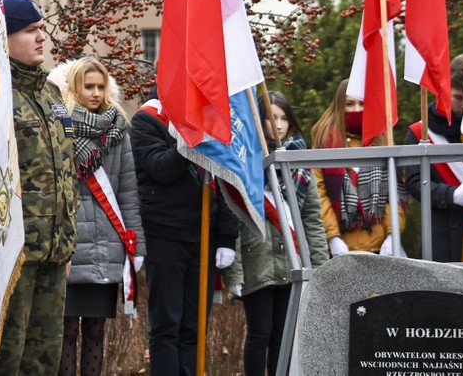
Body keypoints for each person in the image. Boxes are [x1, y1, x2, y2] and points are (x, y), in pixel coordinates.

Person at [0, 0, 78, 375]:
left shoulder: (50, 95)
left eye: (42, 29)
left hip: (51, 253)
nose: (41, 37)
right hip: (8, 257)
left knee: (43, 362)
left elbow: (65, 170)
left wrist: (65, 240)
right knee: (0, 363)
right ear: (4, 36)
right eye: (30, 31)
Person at [130, 84, 239, 376]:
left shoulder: (207, 120)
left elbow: (224, 179)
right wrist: (190, 140)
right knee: (167, 324)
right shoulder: (146, 120)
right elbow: (160, 169)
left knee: (195, 323)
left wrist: (227, 236)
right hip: (165, 234)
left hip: (205, 234)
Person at [47, 57, 145, 376]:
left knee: (95, 332)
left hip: (106, 245)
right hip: (69, 246)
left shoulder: (119, 131)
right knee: (66, 333)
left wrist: (137, 246)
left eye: (101, 86)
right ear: (74, 88)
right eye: (88, 86)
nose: (95, 93)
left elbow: (128, 192)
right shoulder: (57, 127)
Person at [222, 91, 328, 376]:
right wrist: (235, 272)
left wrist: (318, 266)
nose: (278, 125)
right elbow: (234, 219)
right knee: (260, 333)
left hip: (293, 260)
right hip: (257, 260)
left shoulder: (299, 162)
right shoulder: (246, 162)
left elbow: (312, 221)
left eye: (283, 118)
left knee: (284, 335)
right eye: (271, 118)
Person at [404, 54, 463, 262]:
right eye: (459, 98)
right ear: (443, 91)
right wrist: (451, 195)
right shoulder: (420, 133)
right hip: (438, 234)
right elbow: (414, 183)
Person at [311, 79, 406, 256]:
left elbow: (394, 193)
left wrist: (393, 234)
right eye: (349, 104)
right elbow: (319, 194)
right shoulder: (325, 142)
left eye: (362, 104)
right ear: (340, 106)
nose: (356, 110)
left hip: (380, 247)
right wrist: (332, 236)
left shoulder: (383, 141)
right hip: (341, 249)